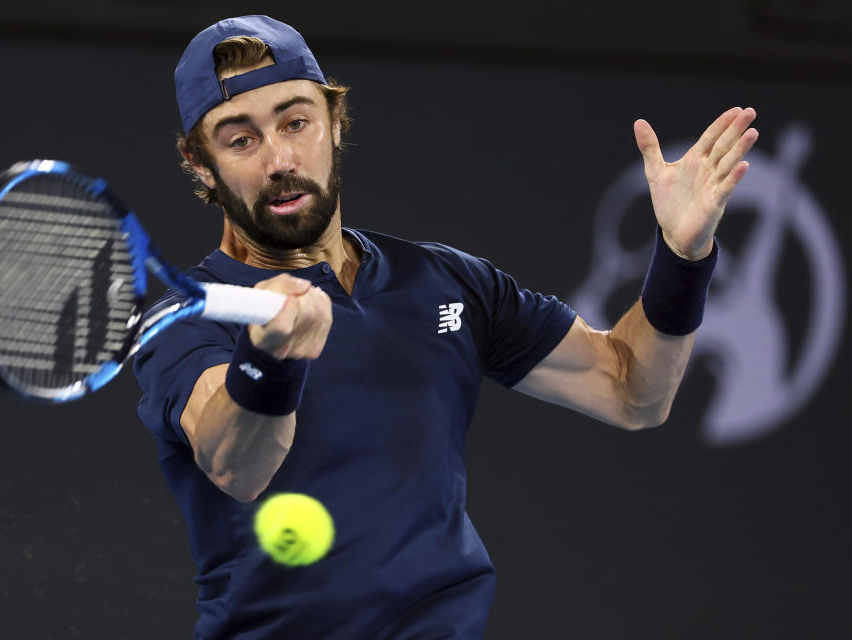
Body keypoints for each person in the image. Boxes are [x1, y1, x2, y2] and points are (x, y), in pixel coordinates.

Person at [133, 15, 758, 639]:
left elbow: (632, 391)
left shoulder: (443, 281)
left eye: (296, 122)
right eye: (240, 140)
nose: (280, 160)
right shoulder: (188, 318)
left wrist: (681, 257)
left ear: (335, 122)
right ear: (199, 164)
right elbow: (234, 465)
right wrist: (269, 359)